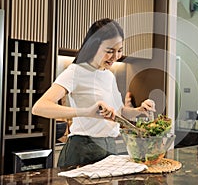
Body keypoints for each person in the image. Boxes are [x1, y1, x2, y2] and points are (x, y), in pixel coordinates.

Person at [32, 18, 156, 168]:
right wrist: (87, 112)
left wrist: (139, 110)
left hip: (109, 149)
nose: (116, 56)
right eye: (110, 51)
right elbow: (39, 107)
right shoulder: (76, 71)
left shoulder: (109, 75)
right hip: (83, 149)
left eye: (119, 50)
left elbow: (119, 112)